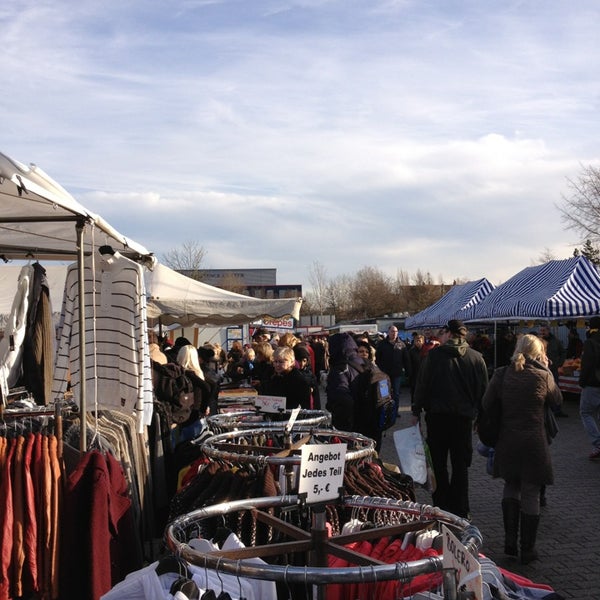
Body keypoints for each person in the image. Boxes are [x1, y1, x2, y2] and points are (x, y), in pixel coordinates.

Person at [482, 334, 562, 564]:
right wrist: (547, 370)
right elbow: (557, 401)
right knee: (531, 492)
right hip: (534, 442)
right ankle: (527, 549)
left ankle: (510, 541)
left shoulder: (501, 373)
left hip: (507, 440)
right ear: (538, 353)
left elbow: (486, 403)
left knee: (511, 484)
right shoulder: (543, 375)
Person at [412, 320, 488, 518]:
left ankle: (441, 506)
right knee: (461, 465)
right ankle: (461, 509)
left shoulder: (434, 356)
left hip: (437, 418)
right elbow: (483, 391)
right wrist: (480, 416)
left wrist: (415, 411)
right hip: (463, 420)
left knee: (438, 464)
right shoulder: (476, 358)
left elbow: (422, 385)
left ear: (448, 333)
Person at [326, 332, 369, 431]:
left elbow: (342, 399)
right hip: (367, 420)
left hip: (350, 424)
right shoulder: (364, 362)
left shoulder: (340, 369)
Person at [376, 325, 410, 417]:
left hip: (397, 374)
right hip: (384, 374)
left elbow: (406, 359)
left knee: (396, 394)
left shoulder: (401, 344)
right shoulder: (382, 344)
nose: (394, 333)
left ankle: (395, 411)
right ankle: (385, 412)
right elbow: (377, 359)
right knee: (384, 394)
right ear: (388, 332)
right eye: (392, 331)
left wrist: (408, 372)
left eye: (396, 331)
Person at [578, 316, 600, 460]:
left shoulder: (590, 343)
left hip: (593, 383)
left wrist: (582, 381)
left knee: (585, 412)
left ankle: (598, 443)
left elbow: (587, 364)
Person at [293, 344, 321, 410]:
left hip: (309, 408)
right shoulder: (292, 374)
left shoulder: (310, 374)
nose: (302, 364)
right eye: (299, 361)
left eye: (304, 361)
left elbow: (316, 398)